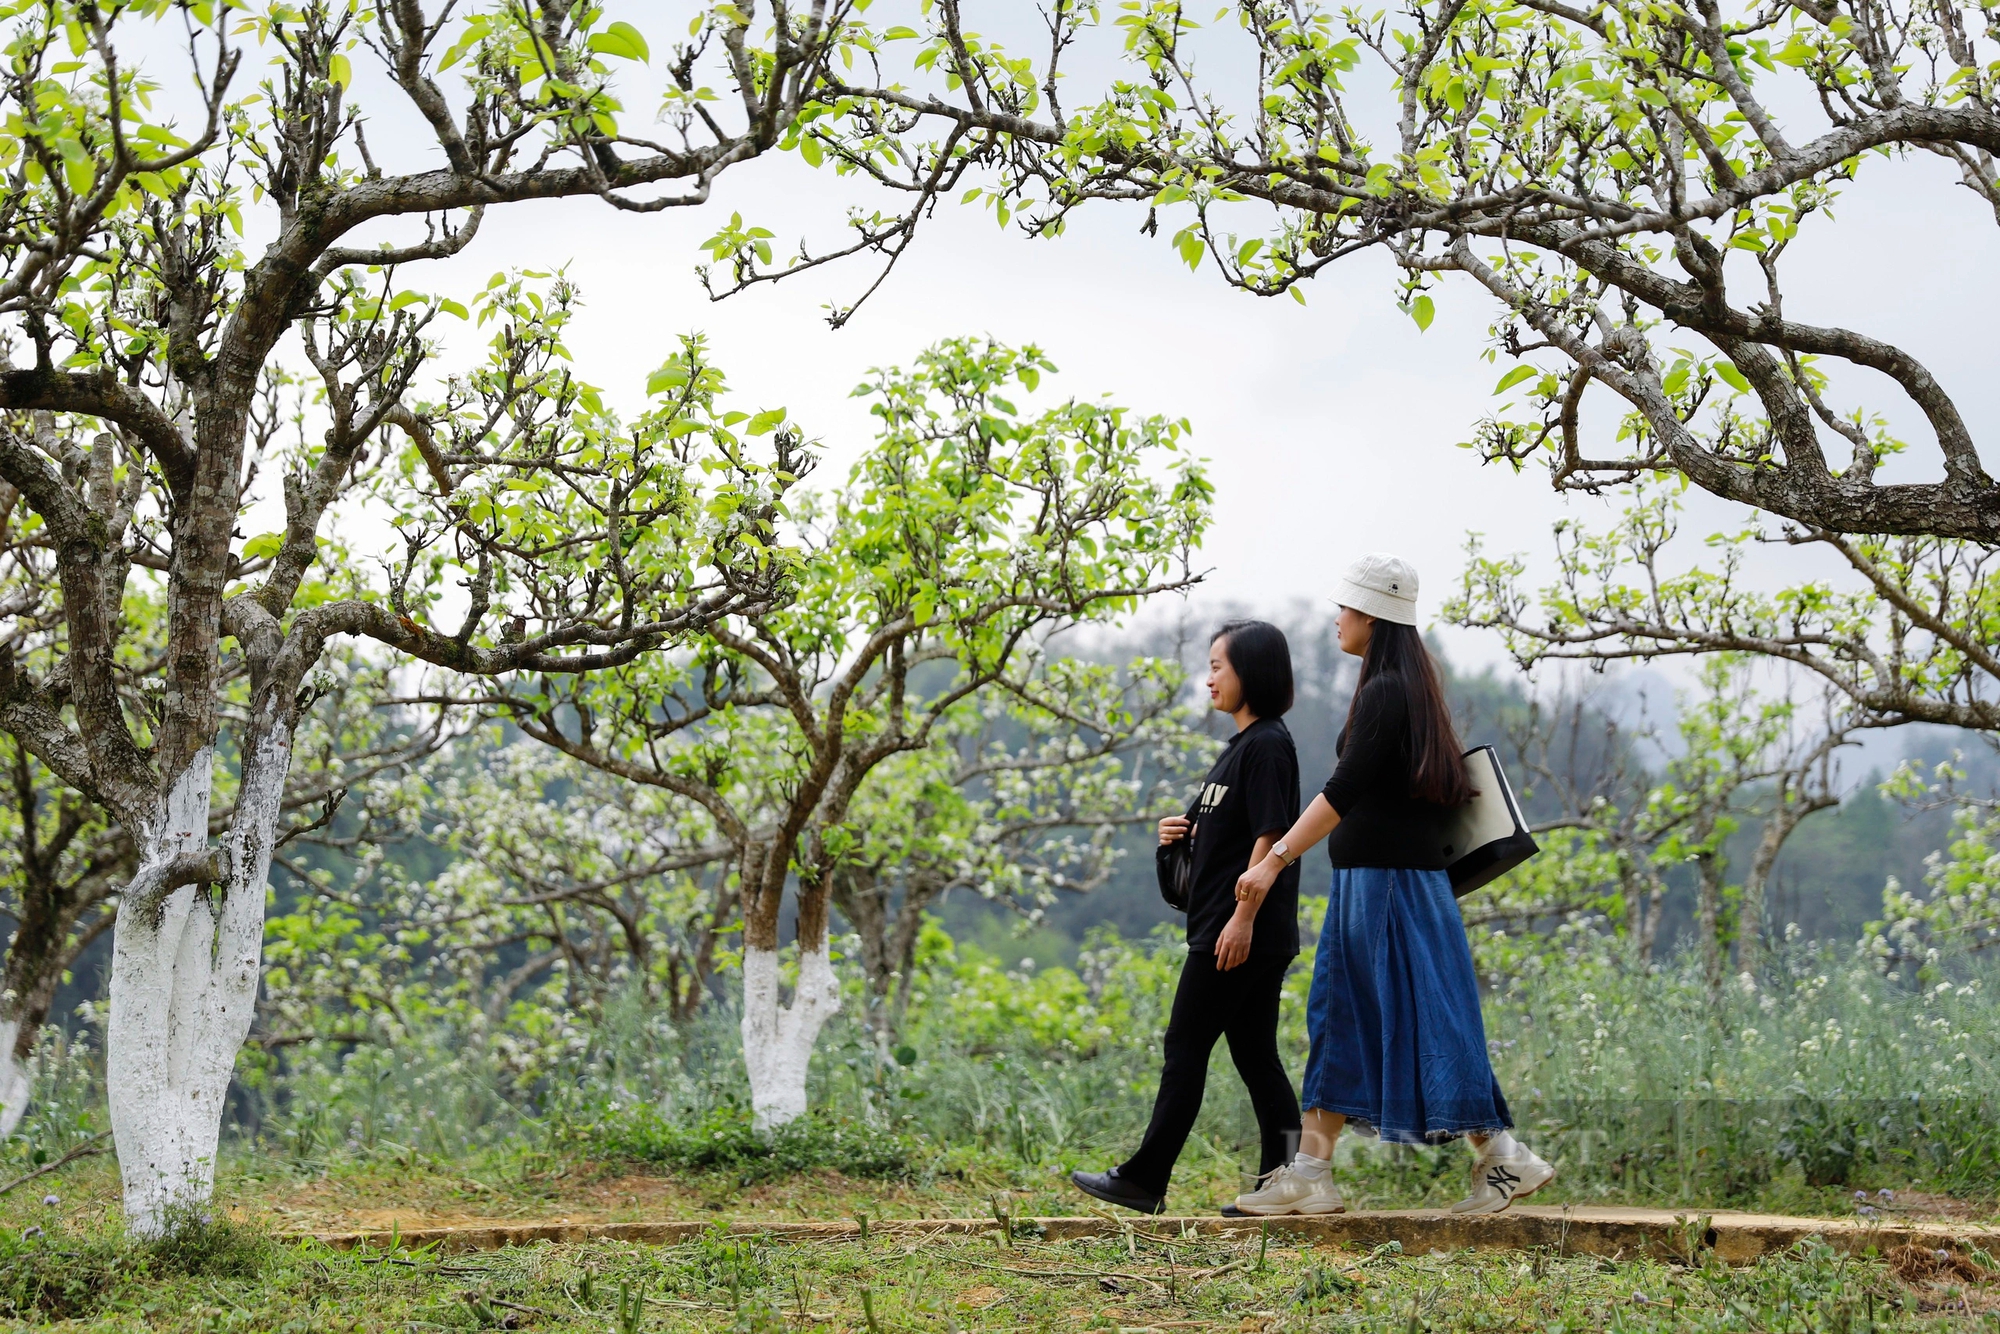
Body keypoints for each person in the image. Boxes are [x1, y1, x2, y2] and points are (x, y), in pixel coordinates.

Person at [1226, 554, 1554, 1217]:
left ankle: (1502, 1158)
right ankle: (1314, 1171)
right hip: (1373, 887)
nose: (1337, 620)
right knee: (1344, 1020)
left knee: (1423, 1021)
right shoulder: (1401, 689)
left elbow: (1341, 792)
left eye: (1345, 609)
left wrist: (1274, 859)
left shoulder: (1386, 693)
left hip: (1392, 890)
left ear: (1371, 616)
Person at [1069, 620, 1305, 1215]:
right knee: (1254, 1055)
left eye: (1218, 667)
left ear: (1250, 672)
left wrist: (1243, 917)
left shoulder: (1270, 744)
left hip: (1237, 931)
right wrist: (1180, 834)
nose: (1209, 680)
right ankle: (1286, 1182)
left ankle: (1146, 1178)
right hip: (1229, 926)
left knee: (1186, 1045)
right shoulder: (1239, 750)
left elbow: (1274, 834)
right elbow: (1229, 838)